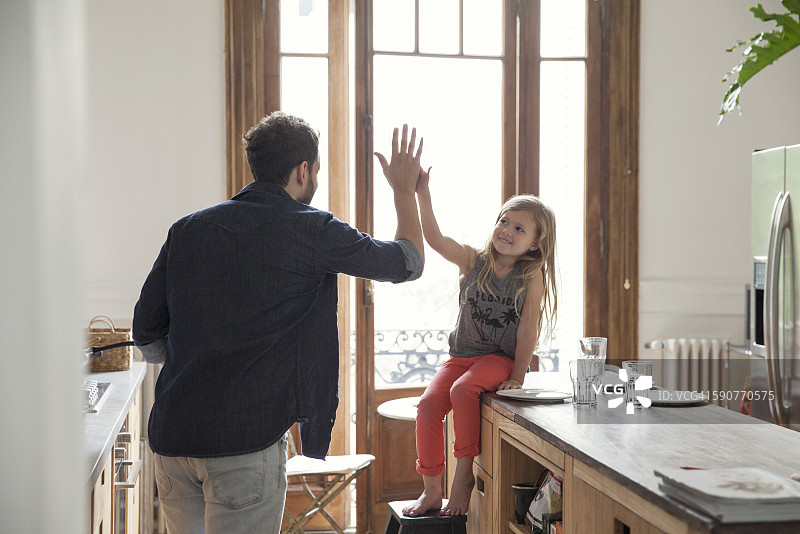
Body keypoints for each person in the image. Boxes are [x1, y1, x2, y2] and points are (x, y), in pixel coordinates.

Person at [132, 111, 425, 533]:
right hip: (244, 444)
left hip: (173, 439)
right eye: (316, 171)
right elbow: (408, 262)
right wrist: (402, 191)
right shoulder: (314, 230)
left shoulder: (187, 229)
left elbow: (146, 335)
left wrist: (198, 359)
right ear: (303, 170)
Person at [403, 168, 558, 517]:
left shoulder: (530, 274)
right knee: (427, 406)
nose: (507, 230)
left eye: (519, 229)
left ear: (535, 243)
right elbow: (435, 239)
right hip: (461, 356)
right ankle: (431, 491)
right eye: (504, 221)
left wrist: (517, 376)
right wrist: (422, 194)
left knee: (463, 390)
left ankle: (463, 478)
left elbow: (527, 329)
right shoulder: (474, 260)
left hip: (498, 359)